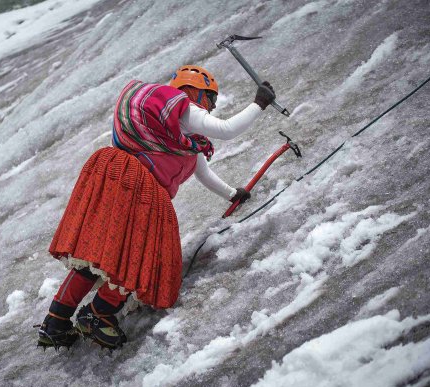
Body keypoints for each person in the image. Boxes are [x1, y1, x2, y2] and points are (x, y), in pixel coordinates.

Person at [38, 65, 276, 350]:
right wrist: (259, 103)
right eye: (210, 99)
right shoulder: (184, 110)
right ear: (194, 92)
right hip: (142, 190)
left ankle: (55, 323)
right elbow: (227, 129)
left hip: (116, 177)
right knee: (140, 258)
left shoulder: (180, 139)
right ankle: (98, 315)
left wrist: (231, 194)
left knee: (98, 255)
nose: (211, 107)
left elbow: (203, 173)